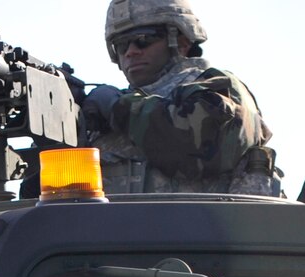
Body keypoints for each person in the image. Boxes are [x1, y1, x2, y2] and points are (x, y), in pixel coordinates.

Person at [80, 0, 283, 197]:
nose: (132, 52)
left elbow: (197, 143)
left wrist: (119, 107)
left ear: (181, 41)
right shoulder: (111, 112)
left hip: (206, 229)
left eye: (144, 39)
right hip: (117, 231)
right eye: (121, 45)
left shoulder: (220, 87)